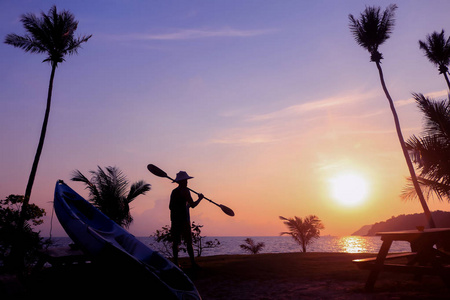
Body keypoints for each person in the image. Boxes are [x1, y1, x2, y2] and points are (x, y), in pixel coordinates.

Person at [169, 171, 203, 268]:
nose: (187, 182)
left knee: (176, 242)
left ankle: (176, 263)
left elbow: (170, 207)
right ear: (182, 181)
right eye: (185, 180)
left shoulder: (174, 192)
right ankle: (192, 263)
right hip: (184, 220)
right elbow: (192, 205)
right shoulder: (185, 191)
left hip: (175, 220)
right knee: (188, 241)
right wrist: (200, 199)